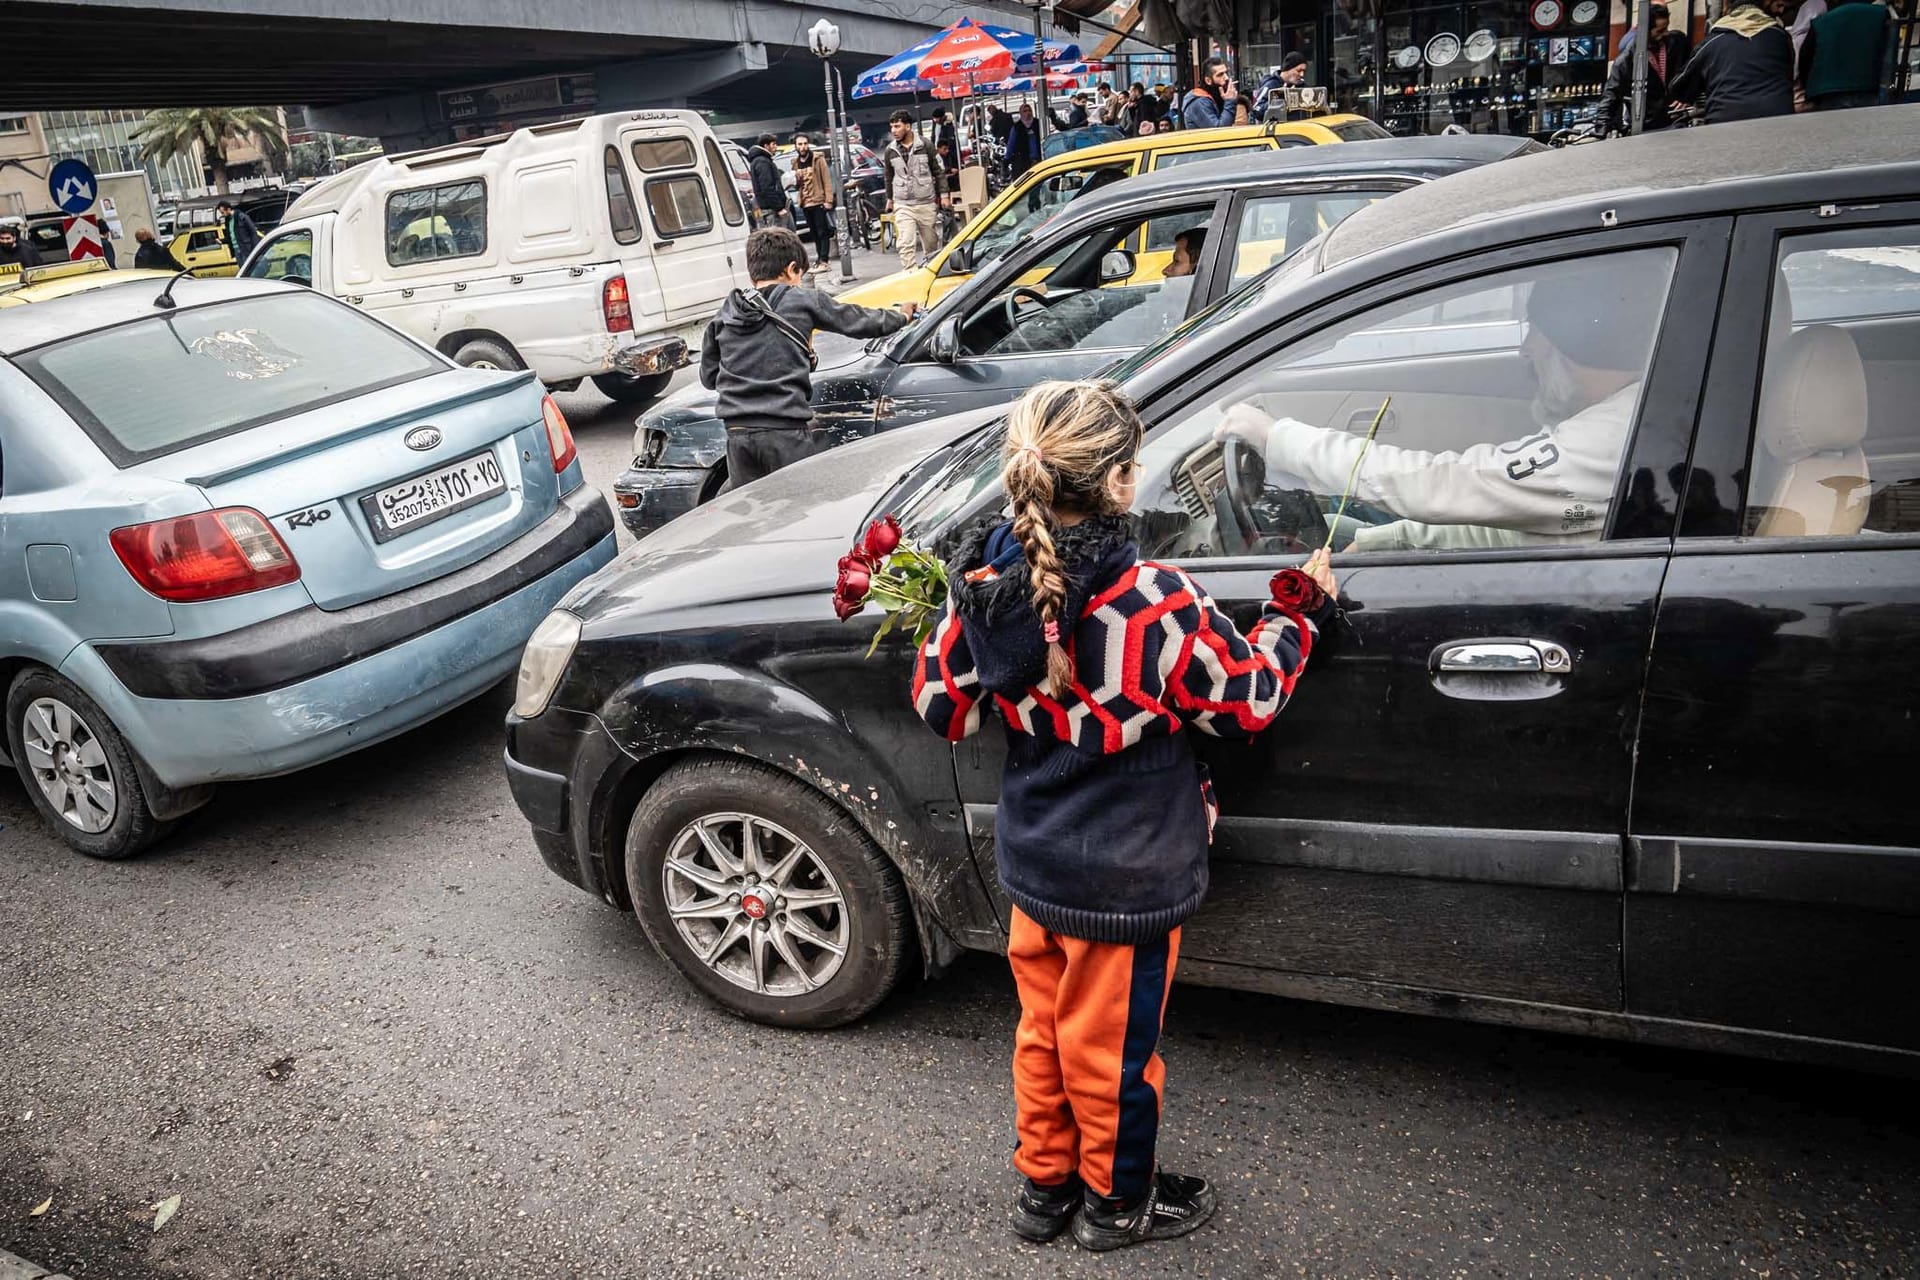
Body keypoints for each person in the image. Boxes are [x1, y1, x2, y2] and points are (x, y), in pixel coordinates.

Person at [911, 379, 1335, 1253]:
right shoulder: (1157, 602)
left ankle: (1044, 1189)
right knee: (1110, 1053)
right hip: (1127, 875)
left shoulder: (985, 587)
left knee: (1042, 1033)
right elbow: (1247, 703)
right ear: (1118, 483)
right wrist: (1296, 619)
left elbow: (937, 704)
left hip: (1034, 860)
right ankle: (1116, 1204)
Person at [1212, 258, 1667, 551]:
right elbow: (1510, 517)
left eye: (1539, 334)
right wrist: (1393, 540)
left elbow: (1448, 484)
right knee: (1342, 524)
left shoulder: (1613, 438)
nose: (1527, 350)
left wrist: (1277, 438)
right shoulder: (1627, 419)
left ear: (1579, 346)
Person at [699, 228, 916, 488]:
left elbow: (709, 377)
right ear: (792, 269)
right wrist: (901, 316)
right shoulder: (803, 300)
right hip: (786, 433)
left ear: (752, 272)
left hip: (737, 435)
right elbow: (858, 321)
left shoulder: (725, 314)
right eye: (800, 275)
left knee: (756, 518)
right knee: (800, 509)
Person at [1668, 1, 1796, 124]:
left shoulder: (1712, 41)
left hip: (1725, 122)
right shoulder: (1781, 36)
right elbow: (1790, 74)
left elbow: (1679, 87)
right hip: (1779, 119)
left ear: (1727, 12)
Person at [1598, 3, 1694, 132]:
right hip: (1646, 126)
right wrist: (1601, 127)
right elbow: (1611, 94)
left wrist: (1687, 96)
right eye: (1660, 31)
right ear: (1645, 31)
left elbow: (1695, 71)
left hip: (1677, 119)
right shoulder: (1627, 59)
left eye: (1666, 28)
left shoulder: (1678, 42)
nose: (1665, 33)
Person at [883, 109, 949, 272]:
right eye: (892, 127)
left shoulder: (925, 145)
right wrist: (890, 199)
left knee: (931, 244)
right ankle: (910, 273)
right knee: (905, 242)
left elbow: (938, 171)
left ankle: (930, 272)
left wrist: (945, 195)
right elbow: (888, 176)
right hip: (903, 203)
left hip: (925, 202)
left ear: (908, 126)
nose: (894, 131)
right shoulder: (890, 150)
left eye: (897, 126)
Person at [1798, 0, 1892, 110]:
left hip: (1828, 91)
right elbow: (1889, 50)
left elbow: (1805, 57)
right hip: (1868, 87)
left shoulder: (1821, 22)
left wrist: (1809, 88)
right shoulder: (1880, 14)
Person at [791, 133, 835, 272]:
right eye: (800, 144)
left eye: (805, 144)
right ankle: (819, 258)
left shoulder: (817, 159)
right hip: (805, 202)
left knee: (822, 231)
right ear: (796, 146)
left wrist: (828, 200)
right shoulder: (795, 162)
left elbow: (826, 180)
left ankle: (824, 260)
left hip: (818, 200)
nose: (803, 147)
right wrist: (795, 180)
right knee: (814, 232)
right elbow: (796, 185)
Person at [1182, 57, 1242, 129]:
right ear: (1208, 81)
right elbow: (1217, 131)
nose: (1226, 78)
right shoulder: (1199, 102)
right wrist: (1229, 102)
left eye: (1226, 73)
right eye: (1220, 75)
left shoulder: (1214, 97)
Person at [746, 134, 788, 229]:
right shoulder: (762, 162)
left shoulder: (761, 160)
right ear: (766, 146)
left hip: (768, 208)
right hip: (770, 210)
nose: (776, 147)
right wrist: (779, 208)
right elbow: (767, 187)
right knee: (775, 237)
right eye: (773, 144)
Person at [1007, 104, 1044, 180]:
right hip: (1022, 163)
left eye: (1029, 110)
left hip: (1038, 160)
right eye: (1025, 111)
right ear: (1021, 113)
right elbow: (1011, 144)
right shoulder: (1016, 127)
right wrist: (1007, 159)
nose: (1028, 113)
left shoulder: (1038, 124)